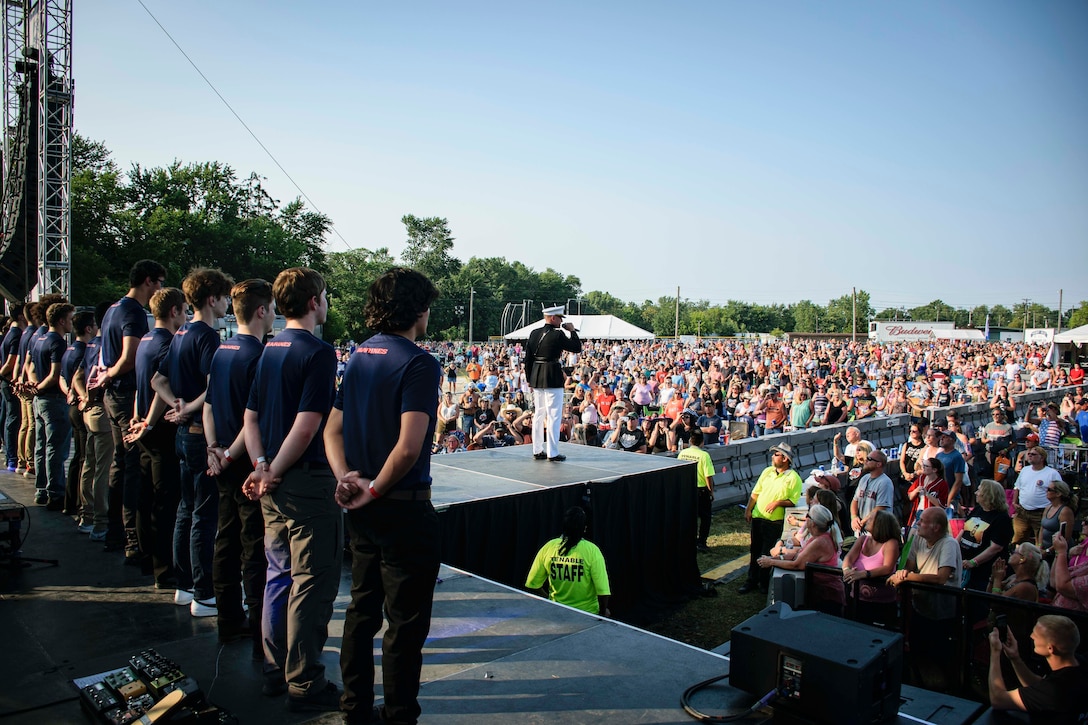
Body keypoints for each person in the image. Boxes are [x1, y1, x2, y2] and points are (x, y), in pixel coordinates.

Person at [324, 267, 441, 725]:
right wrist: (371, 488)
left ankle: (354, 707)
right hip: (402, 509)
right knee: (405, 625)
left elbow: (332, 429)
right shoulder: (418, 362)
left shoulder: (358, 355)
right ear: (417, 308)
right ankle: (398, 716)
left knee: (361, 610)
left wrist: (345, 479)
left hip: (361, 507)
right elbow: (410, 446)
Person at [243, 267, 341, 712]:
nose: (327, 301)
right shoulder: (319, 353)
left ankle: (272, 668)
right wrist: (273, 470)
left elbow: (251, 419)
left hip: (273, 481)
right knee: (311, 582)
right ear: (312, 302)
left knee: (277, 575)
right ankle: (304, 681)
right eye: (324, 294)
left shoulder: (269, 349)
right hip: (303, 482)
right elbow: (306, 428)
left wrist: (261, 465)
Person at [152, 268, 233, 615]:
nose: (229, 303)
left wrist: (176, 406)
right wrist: (188, 409)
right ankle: (204, 593)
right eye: (225, 297)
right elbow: (213, 390)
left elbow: (158, 380)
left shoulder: (181, 333)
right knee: (204, 514)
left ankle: (184, 585)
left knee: (186, 510)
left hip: (184, 433)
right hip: (200, 433)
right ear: (212, 298)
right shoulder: (206, 337)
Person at [204, 279, 275, 651]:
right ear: (262, 311)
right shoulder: (258, 356)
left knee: (225, 539)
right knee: (252, 546)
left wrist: (213, 448)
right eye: (273, 307)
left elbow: (209, 406)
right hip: (244, 463)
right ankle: (256, 621)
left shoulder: (221, 351)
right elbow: (254, 419)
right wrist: (229, 455)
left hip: (223, 461)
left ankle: (228, 618)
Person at [91, 259, 166, 556]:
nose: (159, 289)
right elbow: (129, 356)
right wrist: (109, 374)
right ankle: (131, 538)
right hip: (124, 395)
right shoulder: (133, 311)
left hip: (113, 397)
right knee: (132, 467)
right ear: (148, 281)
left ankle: (114, 531)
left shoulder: (112, 309)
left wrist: (103, 376)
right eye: (159, 282)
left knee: (119, 465)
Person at [126, 288, 186, 587]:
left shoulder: (146, 340)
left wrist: (138, 417)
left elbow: (141, 384)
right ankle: (164, 569)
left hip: (144, 428)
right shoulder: (168, 344)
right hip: (159, 431)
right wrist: (148, 422)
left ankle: (146, 556)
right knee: (165, 501)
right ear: (175, 311)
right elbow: (160, 388)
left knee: (146, 495)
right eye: (184, 310)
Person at [889, 507, 963, 690]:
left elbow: (941, 577)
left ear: (936, 527)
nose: (918, 523)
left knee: (940, 657)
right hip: (920, 607)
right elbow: (910, 566)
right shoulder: (918, 538)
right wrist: (905, 572)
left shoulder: (949, 544)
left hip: (943, 613)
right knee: (917, 652)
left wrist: (906, 576)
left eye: (922, 521)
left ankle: (946, 692)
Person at [988, 614, 1088, 722]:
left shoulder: (1056, 690)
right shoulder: (1079, 664)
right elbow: (1039, 687)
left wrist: (995, 652)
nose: (1031, 636)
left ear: (1050, 648)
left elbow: (998, 699)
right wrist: (1015, 658)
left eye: (1036, 634)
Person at [28, 302, 75, 509]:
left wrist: (34, 385)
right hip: (53, 400)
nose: (72, 323)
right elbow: (56, 375)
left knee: (41, 446)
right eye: (71, 319)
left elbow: (30, 366)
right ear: (62, 321)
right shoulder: (57, 342)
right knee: (56, 448)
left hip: (39, 401)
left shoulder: (39, 339)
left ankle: (41, 490)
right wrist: (40, 387)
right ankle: (55, 492)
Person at [740, 443, 803, 594]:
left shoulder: (794, 478)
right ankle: (752, 580)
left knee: (767, 551)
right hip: (758, 516)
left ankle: (764, 582)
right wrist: (749, 509)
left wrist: (778, 502)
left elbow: (792, 501)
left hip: (774, 521)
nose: (773, 457)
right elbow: (755, 493)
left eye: (776, 454)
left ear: (785, 458)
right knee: (755, 549)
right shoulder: (767, 471)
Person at [526, 506, 611, 617]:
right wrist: (602, 612)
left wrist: (549, 600)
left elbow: (533, 585)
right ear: (584, 528)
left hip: (556, 611)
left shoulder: (549, 547)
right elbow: (603, 592)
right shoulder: (592, 551)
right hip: (588, 613)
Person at [526, 304, 582, 462]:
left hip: (537, 374)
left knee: (539, 414)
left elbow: (528, 358)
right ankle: (552, 452)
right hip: (551, 374)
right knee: (554, 415)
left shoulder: (534, 333)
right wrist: (571, 331)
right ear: (553, 318)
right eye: (559, 318)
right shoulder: (557, 335)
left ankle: (537, 449)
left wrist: (530, 377)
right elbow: (576, 348)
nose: (560, 321)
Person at [61, 310, 97, 518]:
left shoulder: (70, 350)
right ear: (88, 328)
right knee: (85, 459)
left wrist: (69, 391)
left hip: (73, 406)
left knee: (79, 457)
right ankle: (80, 504)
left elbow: (63, 376)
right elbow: (79, 377)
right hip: (81, 406)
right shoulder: (84, 351)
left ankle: (71, 502)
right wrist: (83, 396)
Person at [842, 510, 901, 629]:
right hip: (857, 599)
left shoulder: (890, 544)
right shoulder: (862, 540)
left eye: (871, 518)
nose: (867, 520)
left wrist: (863, 574)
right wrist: (846, 570)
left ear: (880, 523)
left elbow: (887, 568)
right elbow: (849, 557)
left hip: (880, 604)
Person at [958, 479, 1013, 592]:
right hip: (964, 564)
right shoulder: (978, 509)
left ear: (988, 495)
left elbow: (996, 547)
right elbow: (964, 530)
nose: (975, 493)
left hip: (983, 571)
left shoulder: (1001, 518)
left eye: (979, 490)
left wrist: (974, 562)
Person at [1012, 447, 1063, 545]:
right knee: (1017, 540)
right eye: (1029, 454)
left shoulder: (1052, 473)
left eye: (1033, 454)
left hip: (1041, 513)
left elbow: (1060, 492)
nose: (1030, 455)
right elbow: (1017, 487)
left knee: (1040, 542)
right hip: (1022, 511)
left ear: (1042, 458)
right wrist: (1014, 502)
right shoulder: (1025, 470)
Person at [0, 305, 28, 472]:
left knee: (8, 417)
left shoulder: (10, 333)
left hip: (6, 381)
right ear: (20, 316)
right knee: (14, 419)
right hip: (9, 382)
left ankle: (11, 455)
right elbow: (12, 361)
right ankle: (12, 456)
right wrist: (3, 376)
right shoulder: (16, 335)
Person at [677, 428, 714, 552]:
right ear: (702, 442)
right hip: (701, 490)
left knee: (689, 517)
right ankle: (701, 542)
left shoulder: (682, 453)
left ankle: (687, 541)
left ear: (690, 441)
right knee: (705, 518)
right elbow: (708, 475)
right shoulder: (704, 455)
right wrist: (711, 491)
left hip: (687, 489)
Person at [850, 449, 894, 535]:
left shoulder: (885, 482)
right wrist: (854, 517)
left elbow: (880, 508)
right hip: (862, 528)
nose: (866, 460)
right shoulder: (864, 478)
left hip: (878, 529)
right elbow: (855, 501)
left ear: (879, 464)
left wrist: (862, 522)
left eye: (869, 459)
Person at [1050, 532, 1088, 612]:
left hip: (1072, 622)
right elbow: (1054, 582)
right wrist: (1059, 553)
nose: (1083, 524)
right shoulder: (1083, 545)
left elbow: (1063, 586)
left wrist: (1061, 552)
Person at [906, 457, 948, 528]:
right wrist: (916, 490)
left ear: (934, 470)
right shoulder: (921, 478)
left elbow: (941, 505)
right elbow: (910, 497)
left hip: (931, 516)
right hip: (918, 512)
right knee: (913, 534)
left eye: (926, 466)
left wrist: (927, 494)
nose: (923, 468)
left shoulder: (942, 484)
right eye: (923, 465)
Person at [1038, 481, 1076, 553]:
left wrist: (1048, 551)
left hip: (1058, 552)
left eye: (1049, 489)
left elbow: (1065, 538)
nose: (1046, 491)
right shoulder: (1048, 508)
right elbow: (1042, 529)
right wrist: (1040, 546)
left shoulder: (1065, 511)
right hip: (1045, 550)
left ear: (1058, 494)